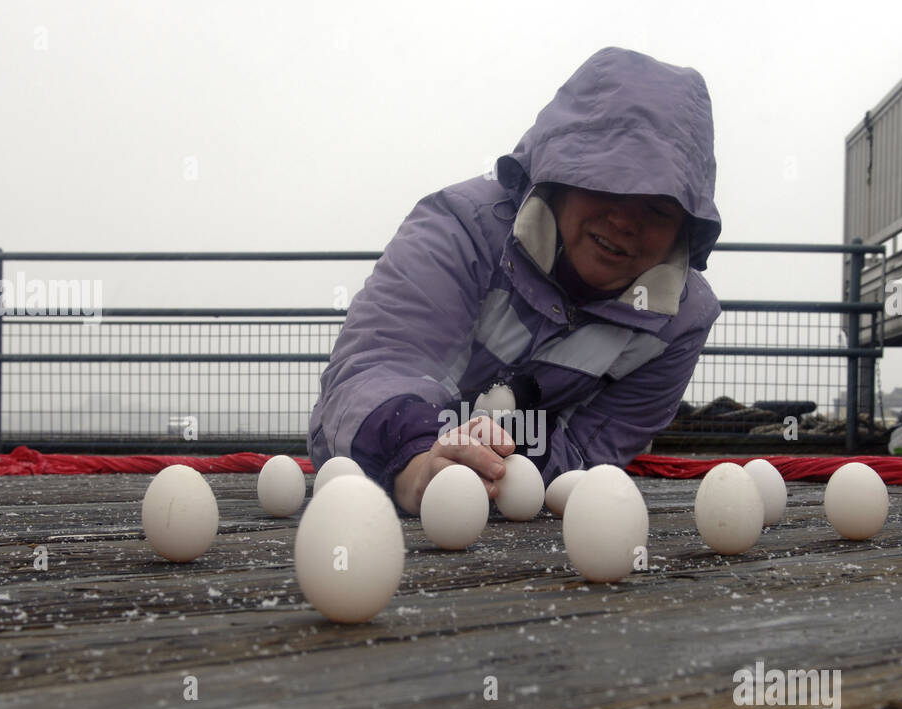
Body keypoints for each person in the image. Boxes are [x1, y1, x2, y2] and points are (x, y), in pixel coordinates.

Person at [307, 46, 723, 515]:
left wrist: (501, 464)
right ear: (559, 174)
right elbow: (380, 365)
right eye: (607, 185)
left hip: (504, 498)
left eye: (657, 208)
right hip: (384, 474)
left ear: (684, 226)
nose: (624, 222)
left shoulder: (680, 322)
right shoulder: (459, 229)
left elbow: (592, 454)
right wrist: (420, 461)